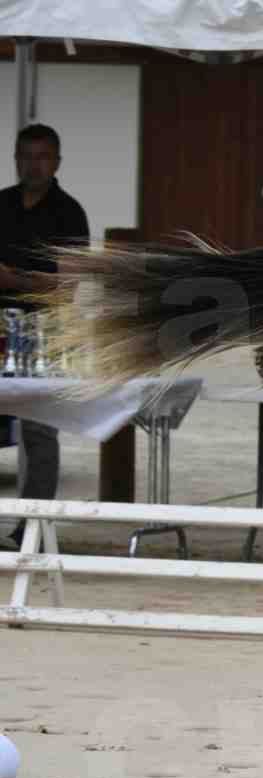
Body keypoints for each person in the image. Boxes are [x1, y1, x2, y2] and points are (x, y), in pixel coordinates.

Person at [0, 124, 89, 549]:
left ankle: (31, 529)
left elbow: (70, 285)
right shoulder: (1, 204)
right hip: (0, 332)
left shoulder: (69, 214)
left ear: (56, 162)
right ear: (15, 158)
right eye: (25, 155)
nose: (32, 164)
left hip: (45, 334)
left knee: (38, 432)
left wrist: (12, 278)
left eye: (41, 156)